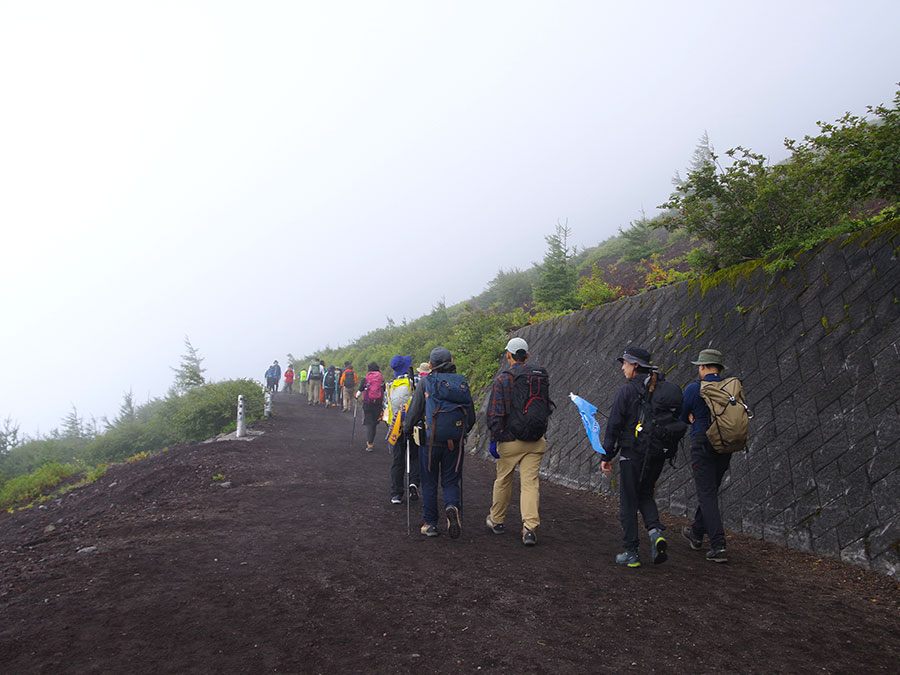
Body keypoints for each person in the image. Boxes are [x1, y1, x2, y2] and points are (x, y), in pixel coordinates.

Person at [599, 346, 668, 568]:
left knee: (628, 501)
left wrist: (607, 454)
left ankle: (631, 552)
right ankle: (656, 532)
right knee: (645, 494)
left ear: (636, 366)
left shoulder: (626, 391)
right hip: (656, 453)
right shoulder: (661, 389)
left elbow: (614, 426)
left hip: (632, 453)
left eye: (625, 363)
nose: (622, 367)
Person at [485, 337, 552, 546]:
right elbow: (546, 408)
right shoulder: (539, 376)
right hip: (535, 439)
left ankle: (497, 520)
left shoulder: (504, 379)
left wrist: (496, 439)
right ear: (527, 356)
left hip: (510, 440)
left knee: (503, 479)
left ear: (508, 355)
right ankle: (530, 528)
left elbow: (494, 414)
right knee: (530, 483)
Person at [403, 346, 475, 539]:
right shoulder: (461, 382)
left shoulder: (426, 382)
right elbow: (472, 416)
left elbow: (414, 412)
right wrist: (461, 432)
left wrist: (407, 429)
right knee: (451, 481)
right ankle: (452, 507)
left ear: (431, 364)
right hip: (455, 441)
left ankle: (431, 524)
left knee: (429, 482)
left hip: (430, 441)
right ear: (451, 360)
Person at [681, 348, 733, 564]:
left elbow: (682, 416)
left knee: (707, 493)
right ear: (720, 369)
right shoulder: (730, 388)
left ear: (702, 367)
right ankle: (696, 532)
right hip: (726, 443)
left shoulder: (694, 388)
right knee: (710, 490)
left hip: (703, 442)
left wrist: (692, 416)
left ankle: (718, 545)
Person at [385, 355, 419, 505]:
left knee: (398, 460)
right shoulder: (415, 381)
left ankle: (396, 494)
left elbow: (387, 409)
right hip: (413, 425)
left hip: (396, 426)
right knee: (414, 456)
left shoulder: (390, 385)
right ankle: (413, 483)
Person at [358, 362, 385, 451]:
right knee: (374, 423)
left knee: (369, 423)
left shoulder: (366, 378)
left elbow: (359, 391)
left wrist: (356, 396)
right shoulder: (381, 379)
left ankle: (370, 443)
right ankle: (371, 441)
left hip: (367, 403)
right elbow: (384, 390)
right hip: (378, 404)